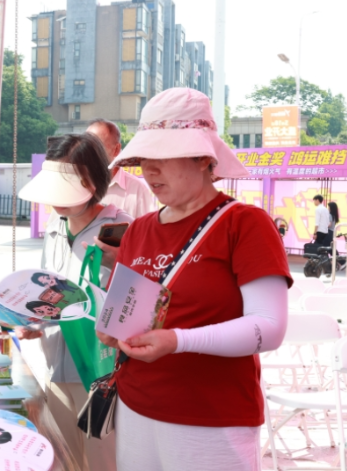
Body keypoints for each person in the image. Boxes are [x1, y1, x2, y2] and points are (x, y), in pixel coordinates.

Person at [96, 87, 292, 471]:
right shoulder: (138, 230)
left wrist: (178, 341)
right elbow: (127, 309)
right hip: (135, 404)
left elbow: (269, 328)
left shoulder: (245, 224)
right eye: (142, 158)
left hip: (211, 421)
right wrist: (111, 327)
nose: (149, 170)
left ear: (204, 157)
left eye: (163, 157)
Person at [17, 133, 133, 471]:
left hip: (101, 372)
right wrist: (34, 321)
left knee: (100, 460)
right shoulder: (56, 226)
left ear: (95, 182)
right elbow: (50, 290)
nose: (59, 201)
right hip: (57, 363)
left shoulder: (120, 228)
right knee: (65, 458)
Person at [86, 118, 155, 218]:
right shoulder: (74, 184)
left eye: (96, 147)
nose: (88, 153)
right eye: (86, 146)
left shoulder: (137, 190)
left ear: (116, 149)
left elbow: (149, 230)